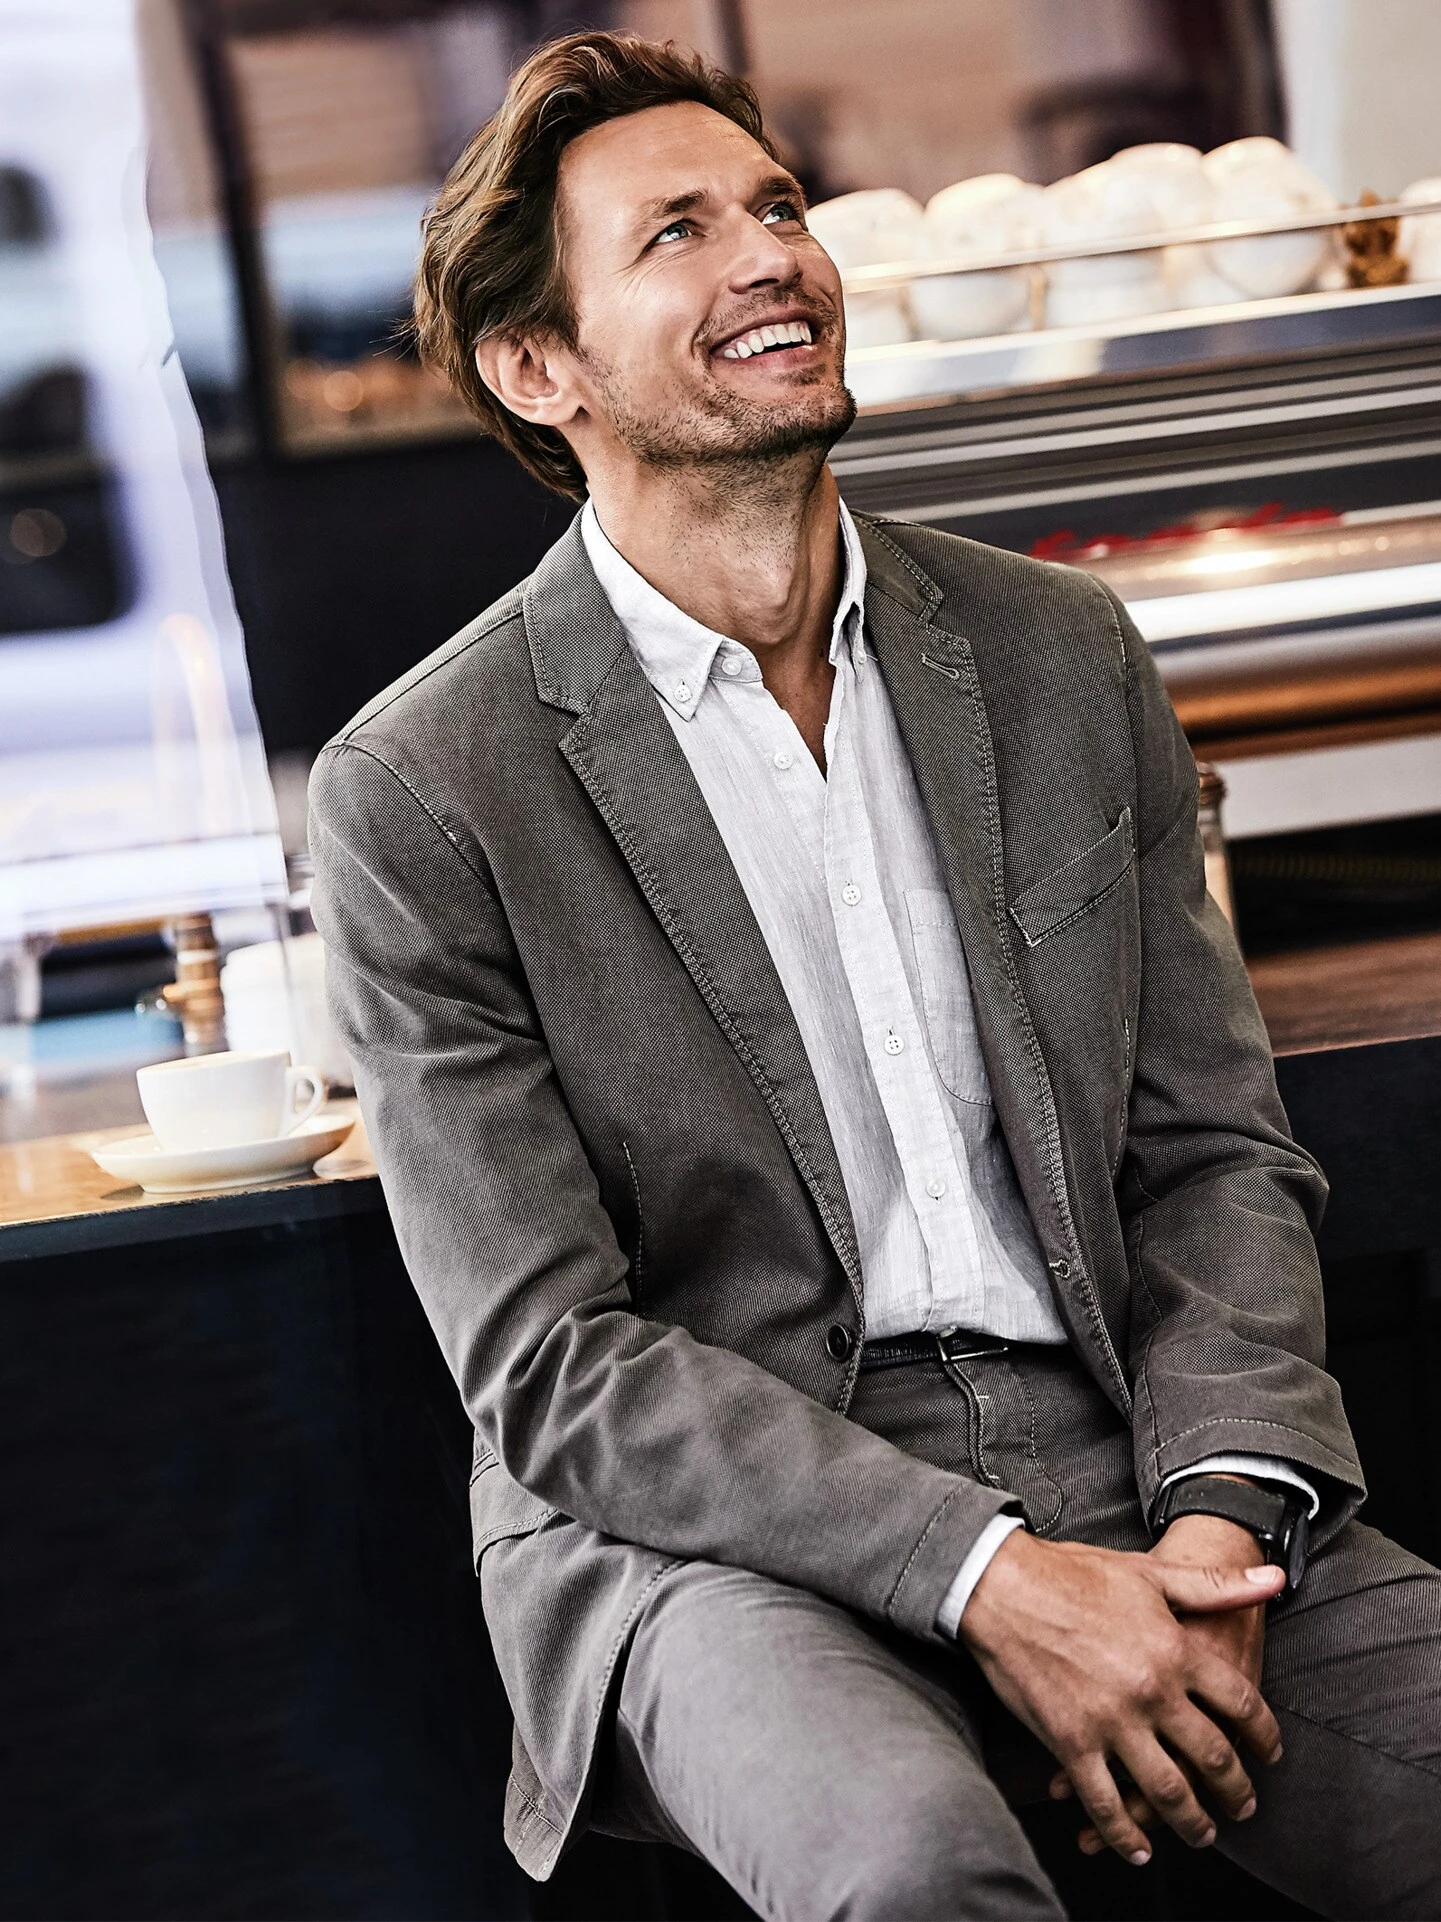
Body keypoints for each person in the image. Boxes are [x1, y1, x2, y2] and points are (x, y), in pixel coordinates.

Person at [308, 31, 1441, 1921]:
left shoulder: (1061, 650)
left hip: (1128, 1439)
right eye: (677, 232)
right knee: (912, 1866)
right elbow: (553, 1361)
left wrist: (1221, 1524)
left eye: (777, 207)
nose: (771, 253)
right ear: (537, 367)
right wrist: (990, 1575)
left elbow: (1214, 1157)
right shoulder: (423, 787)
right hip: (707, 1538)